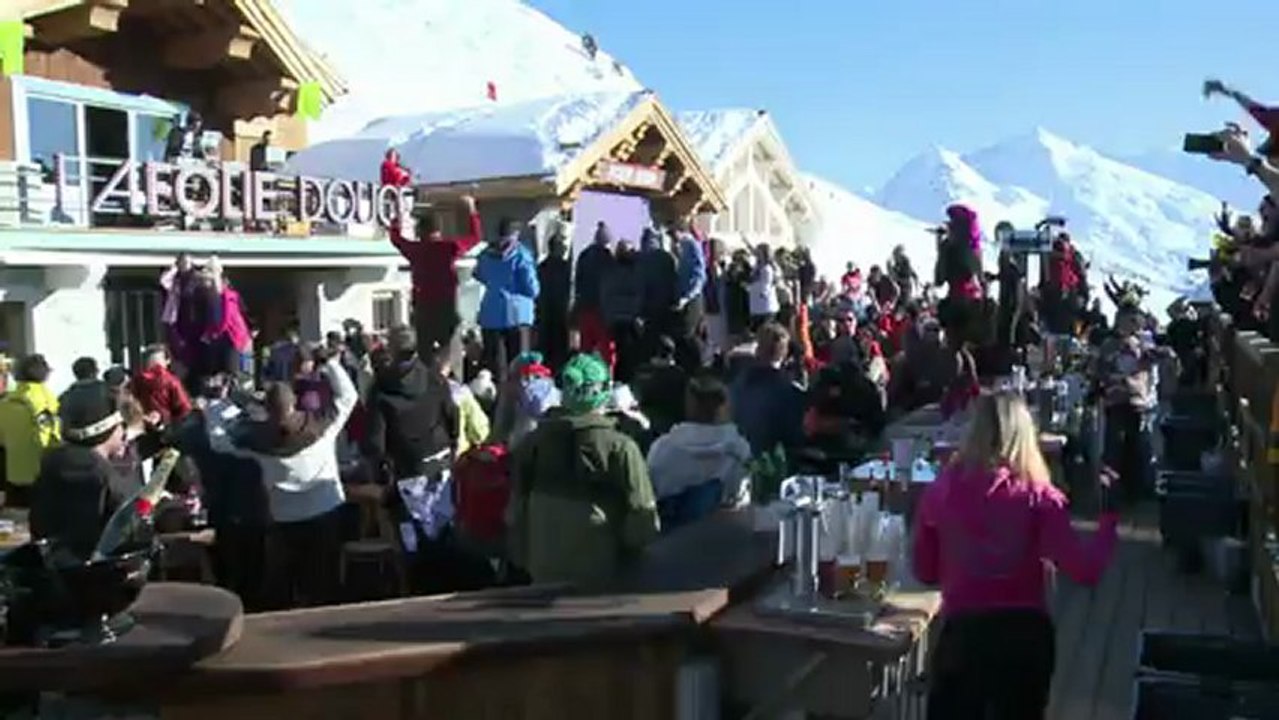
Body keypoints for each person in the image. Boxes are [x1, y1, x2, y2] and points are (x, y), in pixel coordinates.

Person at [914, 391, 1117, 719]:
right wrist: (1108, 522)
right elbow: (1085, 570)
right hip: (1024, 639)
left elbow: (925, 571)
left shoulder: (941, 492)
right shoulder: (1041, 498)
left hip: (964, 637)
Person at [206, 349, 357, 607]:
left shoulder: (258, 442)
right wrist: (331, 364)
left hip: (285, 519)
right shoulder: (321, 427)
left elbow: (219, 442)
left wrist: (215, 404)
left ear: (266, 411)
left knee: (286, 586)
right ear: (295, 404)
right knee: (325, 585)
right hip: (326, 510)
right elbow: (348, 397)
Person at [507, 353, 659, 587]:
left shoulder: (533, 443)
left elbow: (515, 512)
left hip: (542, 572)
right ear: (603, 393)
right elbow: (643, 523)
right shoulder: (621, 447)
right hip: (603, 576)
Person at [30, 381, 129, 560]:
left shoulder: (50, 464)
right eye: (121, 424)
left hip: (51, 570)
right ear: (108, 430)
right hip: (95, 577)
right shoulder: (105, 476)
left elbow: (37, 525)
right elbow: (127, 535)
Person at [647, 375, 751, 530]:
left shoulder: (662, 448)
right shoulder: (740, 451)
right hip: (724, 540)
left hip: (670, 542)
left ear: (688, 405)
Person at [390, 196, 482, 367]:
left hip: (423, 308)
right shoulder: (449, 248)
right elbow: (475, 237)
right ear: (438, 232)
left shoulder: (416, 250)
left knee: (424, 355)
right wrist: (471, 210)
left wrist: (397, 214)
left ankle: (426, 385)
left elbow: (396, 239)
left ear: (419, 233)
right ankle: (450, 383)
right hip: (446, 306)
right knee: (450, 352)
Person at [362, 327, 458, 482]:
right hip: (440, 460)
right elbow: (452, 415)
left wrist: (380, 473)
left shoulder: (380, 390)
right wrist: (453, 444)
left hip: (406, 468)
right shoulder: (434, 379)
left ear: (391, 350)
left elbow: (375, 442)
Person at [475, 218, 539, 379]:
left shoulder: (485, 254)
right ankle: (517, 400)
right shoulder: (521, 255)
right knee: (519, 366)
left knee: (494, 365)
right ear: (516, 233)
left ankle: (493, 398)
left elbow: (479, 275)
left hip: (490, 314)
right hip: (517, 315)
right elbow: (532, 289)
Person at [729, 322, 806, 454]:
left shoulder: (736, 385)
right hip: (775, 464)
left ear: (757, 349)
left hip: (738, 459)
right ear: (785, 352)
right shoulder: (791, 392)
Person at [0, 355, 61, 507]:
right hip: (42, 476)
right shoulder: (48, 402)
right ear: (45, 375)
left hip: (13, 476)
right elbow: (51, 439)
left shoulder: (5, 403)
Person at [600, 240, 646, 383]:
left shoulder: (609, 272)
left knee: (617, 355)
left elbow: (605, 296)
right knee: (630, 357)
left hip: (615, 319)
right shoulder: (637, 273)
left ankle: (618, 384)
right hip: (630, 320)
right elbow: (640, 295)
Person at [573, 222, 617, 367]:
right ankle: (606, 379)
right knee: (606, 350)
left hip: (584, 307)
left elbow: (577, 282)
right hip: (602, 310)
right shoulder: (608, 258)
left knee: (586, 348)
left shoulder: (584, 255)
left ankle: (585, 376)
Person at [672, 220, 707, 371]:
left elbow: (699, 275)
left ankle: (696, 367)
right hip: (685, 297)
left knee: (689, 334)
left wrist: (687, 296)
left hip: (691, 299)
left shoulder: (691, 245)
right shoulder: (684, 247)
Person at [536, 229, 572, 372]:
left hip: (546, 310)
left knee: (547, 345)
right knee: (558, 346)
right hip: (558, 310)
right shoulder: (564, 267)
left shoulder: (542, 266)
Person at [131, 345, 192, 428]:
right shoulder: (171, 381)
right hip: (168, 429)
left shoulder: (137, 381)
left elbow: (129, 405)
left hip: (142, 427)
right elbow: (184, 408)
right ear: (167, 361)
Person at [748, 243, 780, 329]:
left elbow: (764, 287)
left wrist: (749, 287)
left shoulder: (767, 269)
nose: (757, 255)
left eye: (759, 253)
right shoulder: (757, 267)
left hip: (765, 307)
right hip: (757, 307)